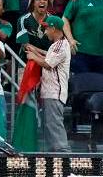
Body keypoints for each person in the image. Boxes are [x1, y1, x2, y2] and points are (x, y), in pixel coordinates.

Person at [30, 16, 72, 153]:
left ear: (53, 28)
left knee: (55, 128)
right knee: (50, 128)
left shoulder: (60, 44)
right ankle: (55, 159)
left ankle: (65, 158)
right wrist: (34, 50)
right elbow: (48, 57)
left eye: (47, 28)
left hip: (55, 93)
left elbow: (47, 64)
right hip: (50, 93)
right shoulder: (57, 45)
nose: (46, 31)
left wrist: (33, 57)